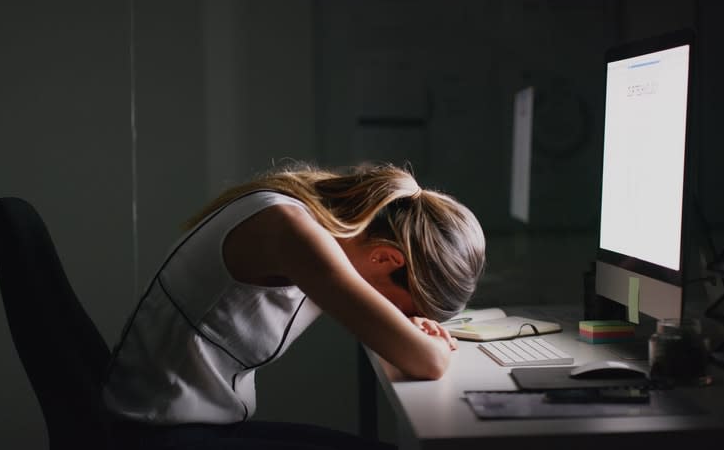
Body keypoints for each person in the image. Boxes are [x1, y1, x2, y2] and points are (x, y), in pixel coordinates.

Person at [102, 161, 487, 449]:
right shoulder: (291, 230)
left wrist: (411, 331)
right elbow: (428, 361)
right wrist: (432, 342)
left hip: (190, 423)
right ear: (387, 260)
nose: (402, 318)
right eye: (407, 308)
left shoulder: (306, 220)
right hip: (161, 434)